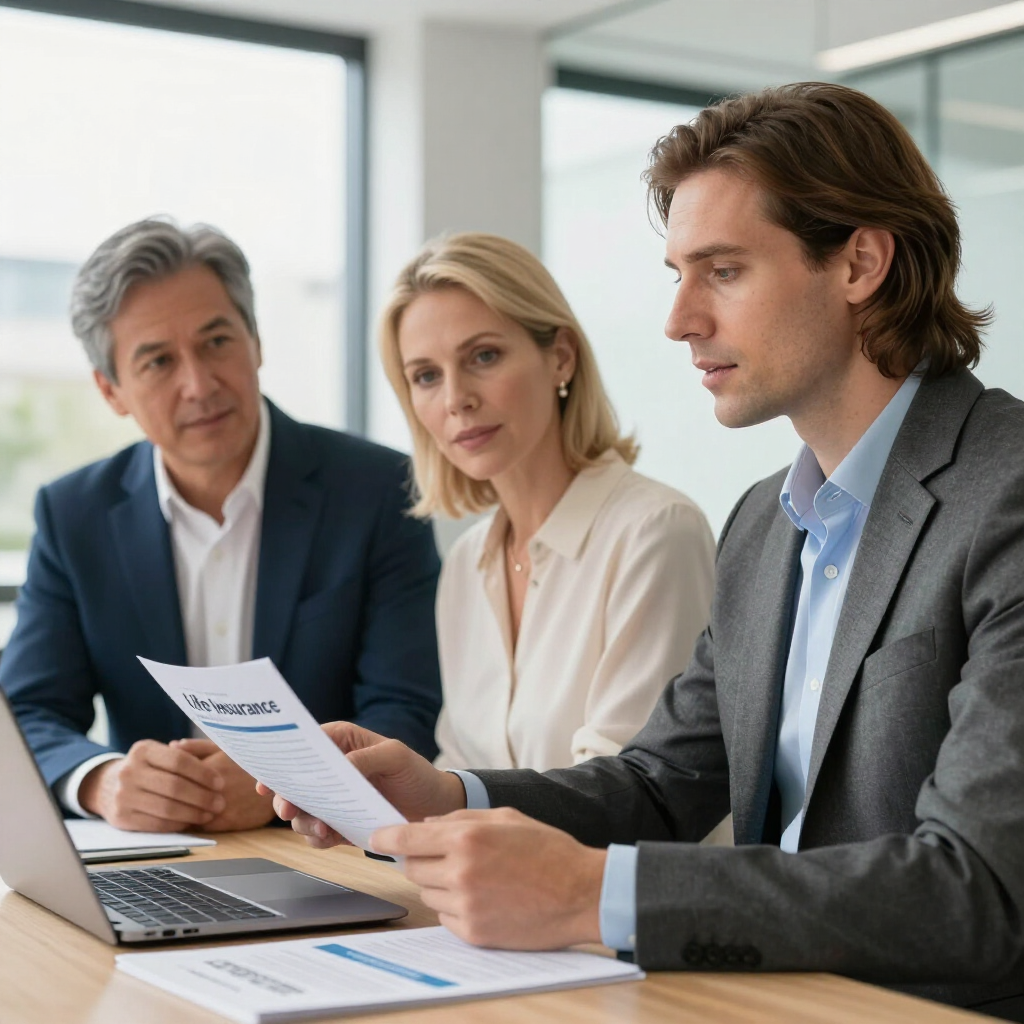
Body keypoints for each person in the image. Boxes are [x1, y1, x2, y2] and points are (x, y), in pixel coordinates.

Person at [269, 83, 1024, 1020]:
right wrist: (441, 792)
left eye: (724, 271)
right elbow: (660, 785)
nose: (680, 319)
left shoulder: (1007, 497)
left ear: (860, 261)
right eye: (678, 273)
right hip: (757, 994)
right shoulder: (763, 523)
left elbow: (980, 892)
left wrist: (593, 895)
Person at [0, 218, 442, 834]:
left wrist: (290, 786)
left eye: (216, 342)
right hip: (156, 857)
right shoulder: (74, 514)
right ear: (111, 390)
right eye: (157, 361)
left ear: (255, 340)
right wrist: (102, 782)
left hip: (325, 850)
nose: (199, 384)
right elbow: (28, 708)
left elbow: (406, 709)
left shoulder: (377, 491)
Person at [378, 233, 716, 772]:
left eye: (483, 356)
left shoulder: (655, 532)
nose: (455, 399)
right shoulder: (467, 563)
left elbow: (629, 790)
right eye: (425, 376)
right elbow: (460, 769)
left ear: (560, 357)